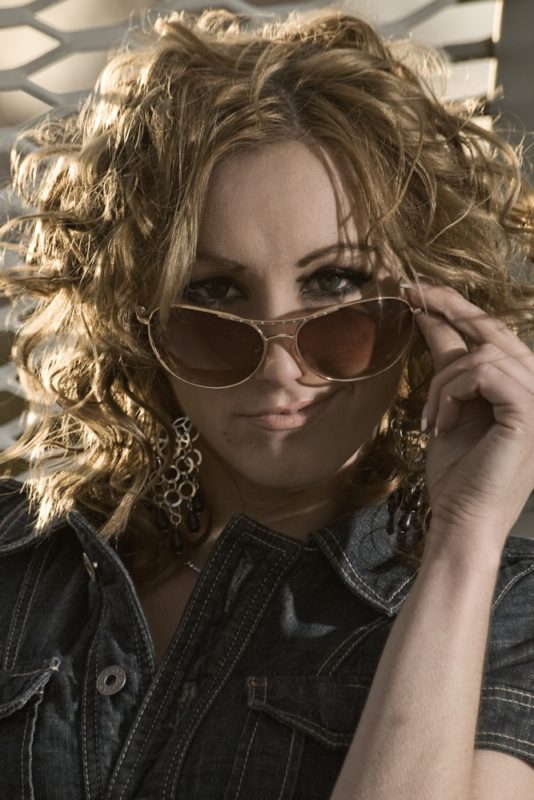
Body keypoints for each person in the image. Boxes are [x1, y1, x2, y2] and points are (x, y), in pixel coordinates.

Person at [0, 7, 533, 799]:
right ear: (136, 318)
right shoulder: (21, 557)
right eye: (215, 293)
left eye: (335, 284)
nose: (279, 365)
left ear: (432, 300)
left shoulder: (508, 609)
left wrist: (462, 545)